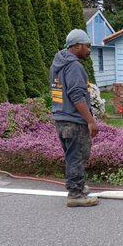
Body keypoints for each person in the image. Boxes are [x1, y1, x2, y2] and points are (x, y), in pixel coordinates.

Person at [50, 29, 99, 207]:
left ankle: (77, 186)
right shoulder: (74, 66)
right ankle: (76, 195)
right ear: (76, 46)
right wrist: (90, 121)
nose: (89, 50)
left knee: (71, 156)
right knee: (77, 157)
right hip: (74, 120)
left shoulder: (58, 63)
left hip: (60, 118)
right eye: (87, 46)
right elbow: (77, 96)